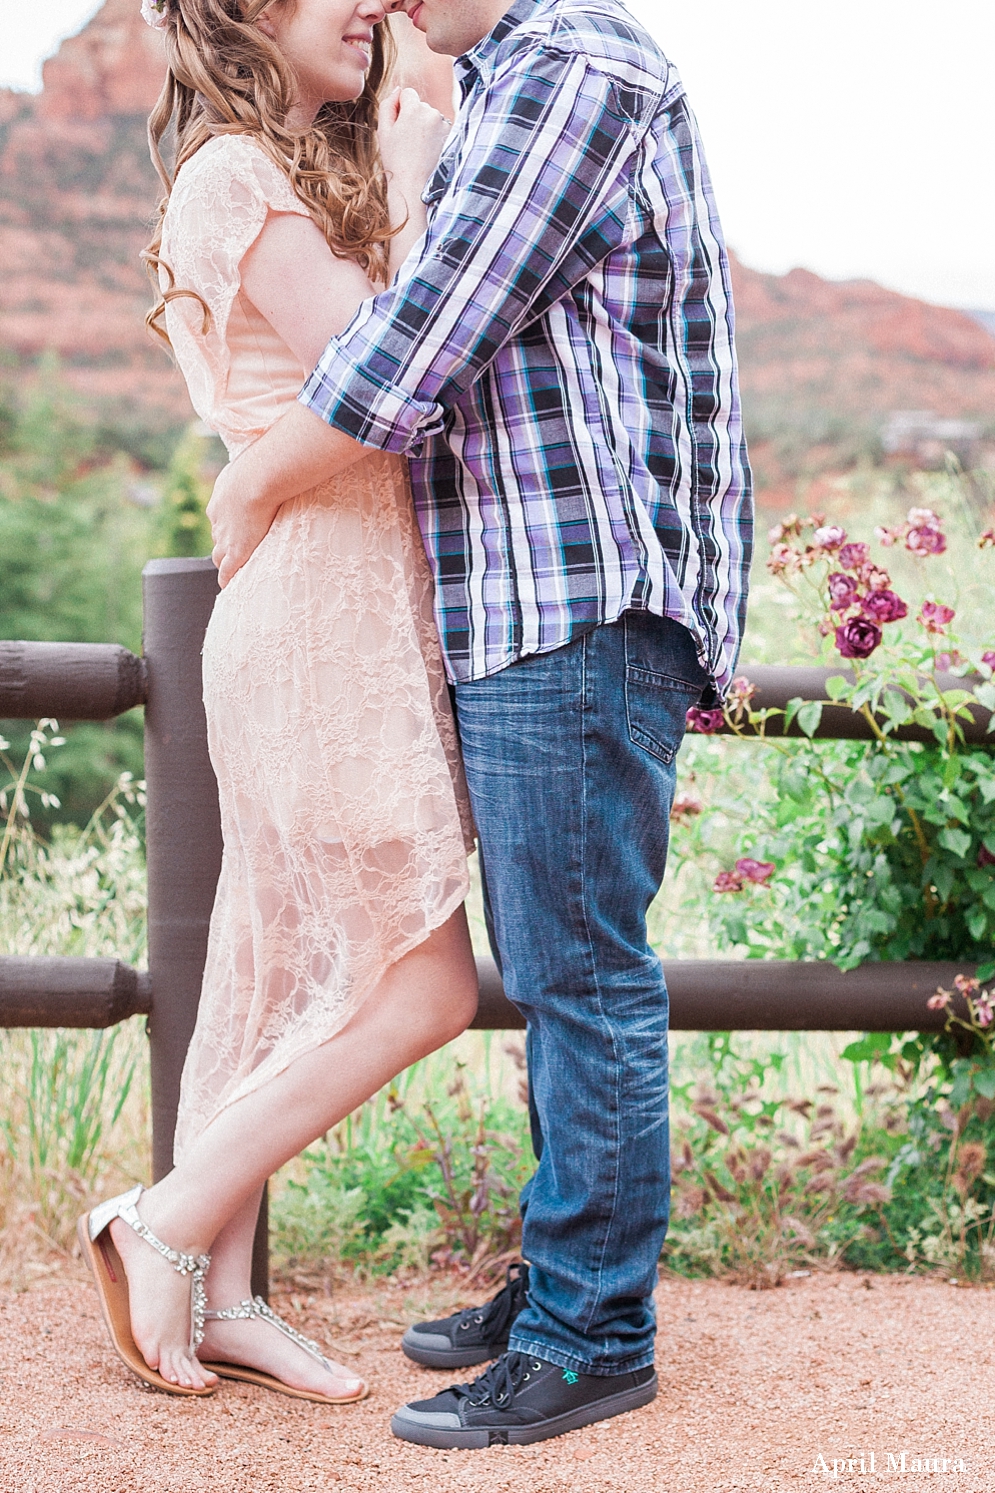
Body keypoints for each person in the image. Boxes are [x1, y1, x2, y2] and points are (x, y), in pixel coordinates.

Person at [206, 0, 753, 1450]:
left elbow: (411, 355)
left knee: (581, 980)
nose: (380, 2)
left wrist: (253, 484)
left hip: (574, 597)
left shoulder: (573, 70)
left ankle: (592, 1334)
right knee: (560, 968)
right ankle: (566, 1279)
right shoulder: (514, 76)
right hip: (536, 602)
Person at [79, 0, 479, 1403]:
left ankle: (223, 1289)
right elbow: (383, 371)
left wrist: (408, 141)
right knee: (428, 983)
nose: (375, 3)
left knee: (263, 954)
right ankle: (168, 1220)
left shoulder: (302, 165)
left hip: (346, 592)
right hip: (317, 600)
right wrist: (426, 192)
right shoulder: (231, 172)